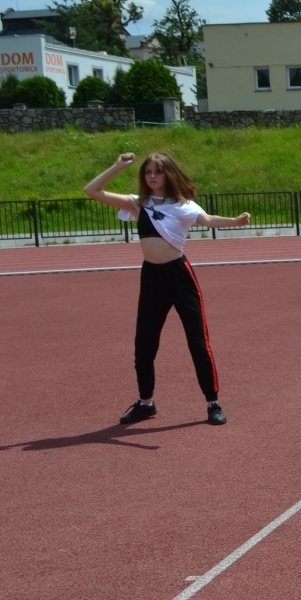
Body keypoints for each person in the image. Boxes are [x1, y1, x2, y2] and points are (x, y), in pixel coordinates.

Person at [83, 152, 251, 425]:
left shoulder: (183, 206)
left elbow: (208, 219)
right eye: (148, 171)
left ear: (168, 174)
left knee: (198, 343)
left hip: (179, 276)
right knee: (144, 346)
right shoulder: (137, 203)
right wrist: (118, 166)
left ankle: (213, 403)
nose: (152, 176)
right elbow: (92, 191)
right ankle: (146, 403)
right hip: (152, 277)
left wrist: (233, 221)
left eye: (158, 172)